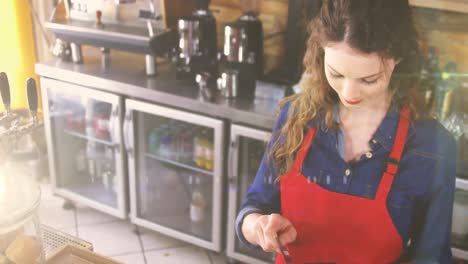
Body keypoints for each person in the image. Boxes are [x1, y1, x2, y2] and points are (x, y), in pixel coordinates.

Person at [235, 0, 457, 263]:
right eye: (336, 74)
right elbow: (254, 206)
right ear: (322, 51)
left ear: (397, 58)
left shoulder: (431, 146)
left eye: (369, 79)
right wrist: (257, 226)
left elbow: (431, 257)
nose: (349, 94)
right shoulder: (296, 118)